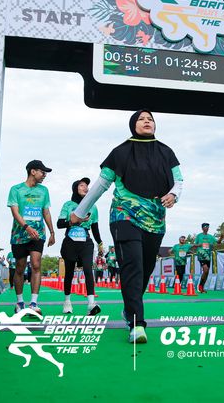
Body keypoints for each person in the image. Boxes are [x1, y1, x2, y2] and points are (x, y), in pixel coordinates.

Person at [71, 110, 183, 343]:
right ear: (133, 125)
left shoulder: (166, 152)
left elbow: (178, 181)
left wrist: (173, 194)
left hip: (155, 219)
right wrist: (79, 212)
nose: (147, 121)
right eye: (141, 119)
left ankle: (129, 308)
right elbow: (101, 185)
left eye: (150, 119)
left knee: (146, 268)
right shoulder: (120, 152)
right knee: (133, 267)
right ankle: (136, 323)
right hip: (124, 215)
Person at [8, 160, 56, 315]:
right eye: (42, 172)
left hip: (38, 234)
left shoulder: (44, 191)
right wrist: (27, 228)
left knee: (36, 265)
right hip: (19, 235)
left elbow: (46, 212)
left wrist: (52, 232)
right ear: (32, 171)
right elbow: (15, 212)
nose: (44, 175)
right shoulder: (16, 189)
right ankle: (20, 302)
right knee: (20, 267)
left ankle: (34, 303)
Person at [57, 177, 103, 315]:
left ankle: (91, 304)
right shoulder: (68, 205)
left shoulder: (93, 206)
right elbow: (59, 224)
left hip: (86, 242)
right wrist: (74, 221)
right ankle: (67, 302)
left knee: (88, 270)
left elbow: (95, 228)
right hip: (70, 241)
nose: (85, 188)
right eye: (82, 185)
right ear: (75, 188)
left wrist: (100, 243)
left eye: (86, 186)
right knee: (69, 273)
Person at [194, 223, 221, 293]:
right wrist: (199, 245)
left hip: (208, 256)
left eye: (208, 227)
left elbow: (218, 242)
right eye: (205, 227)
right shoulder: (199, 236)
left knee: (207, 272)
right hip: (201, 255)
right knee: (205, 270)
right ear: (202, 228)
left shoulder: (211, 237)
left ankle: (202, 287)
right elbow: (194, 245)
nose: (207, 228)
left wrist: (221, 237)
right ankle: (200, 286)